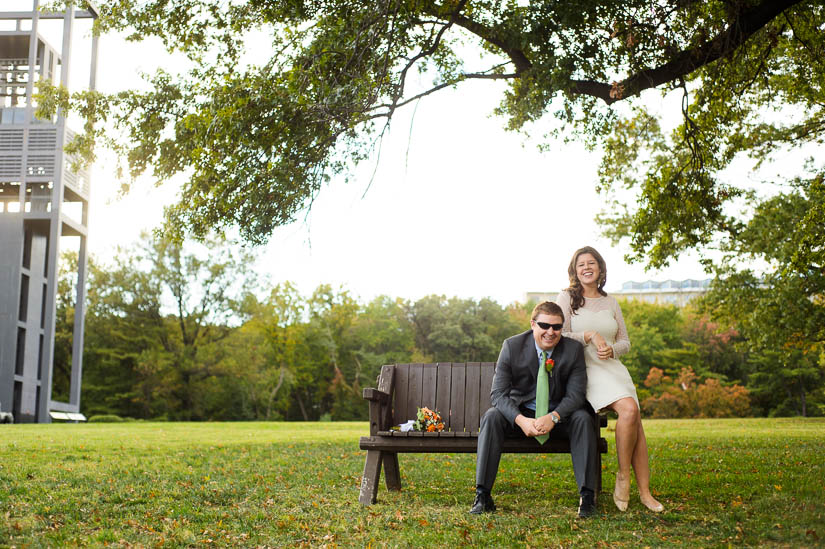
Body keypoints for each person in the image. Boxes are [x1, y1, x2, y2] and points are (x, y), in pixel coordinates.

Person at [556, 246, 665, 513]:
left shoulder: (611, 302)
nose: (586, 268)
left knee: (635, 422)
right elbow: (558, 333)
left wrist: (612, 349)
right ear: (575, 271)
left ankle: (645, 492)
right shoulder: (567, 298)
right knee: (630, 410)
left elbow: (626, 341)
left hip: (613, 369)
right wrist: (589, 335)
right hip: (586, 369)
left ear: (601, 269)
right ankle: (623, 476)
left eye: (591, 263)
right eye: (581, 264)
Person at [471, 301, 599, 518]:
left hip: (558, 417)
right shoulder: (512, 346)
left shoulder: (573, 350)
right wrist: (521, 420)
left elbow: (576, 395)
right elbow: (498, 394)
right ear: (533, 324)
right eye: (544, 325)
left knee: (583, 418)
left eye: (557, 327)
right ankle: (482, 495)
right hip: (522, 416)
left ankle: (587, 498)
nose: (551, 332)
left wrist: (555, 416)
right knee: (492, 417)